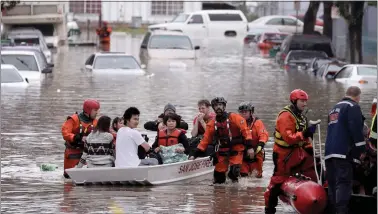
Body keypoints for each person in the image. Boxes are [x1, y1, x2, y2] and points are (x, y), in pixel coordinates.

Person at [264, 89, 318, 214]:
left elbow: (303, 140)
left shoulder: (301, 117)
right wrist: (305, 133)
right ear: (294, 101)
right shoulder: (285, 116)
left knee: (317, 165)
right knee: (277, 181)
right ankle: (269, 208)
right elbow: (288, 138)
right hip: (283, 156)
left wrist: (309, 148)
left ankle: (317, 195)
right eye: (302, 101)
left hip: (297, 153)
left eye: (305, 101)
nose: (304, 104)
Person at [189, 97, 253, 184]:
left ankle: (236, 189)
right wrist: (195, 153)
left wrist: (249, 147)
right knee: (218, 178)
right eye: (216, 105)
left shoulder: (234, 117)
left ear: (224, 106)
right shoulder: (212, 123)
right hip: (222, 151)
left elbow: (246, 131)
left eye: (220, 105)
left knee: (234, 172)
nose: (218, 107)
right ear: (213, 108)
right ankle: (221, 195)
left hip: (236, 149)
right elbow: (205, 140)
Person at [324, 86, 366, 214]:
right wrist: (362, 150)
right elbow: (356, 130)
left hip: (329, 153)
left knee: (332, 185)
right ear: (358, 97)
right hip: (343, 153)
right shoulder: (353, 107)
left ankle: (332, 211)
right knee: (343, 184)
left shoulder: (333, 109)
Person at [61, 99, 100, 178]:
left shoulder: (96, 122)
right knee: (69, 178)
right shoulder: (73, 119)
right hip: (73, 153)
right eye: (95, 110)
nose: (97, 112)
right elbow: (65, 133)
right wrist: (75, 137)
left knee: (86, 177)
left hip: (87, 155)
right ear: (88, 110)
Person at [238, 102, 269, 178]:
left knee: (256, 177)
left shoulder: (257, 123)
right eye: (241, 112)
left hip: (256, 153)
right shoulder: (237, 123)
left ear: (251, 112)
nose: (243, 114)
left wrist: (261, 144)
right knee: (243, 177)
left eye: (246, 112)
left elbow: (263, 134)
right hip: (242, 153)